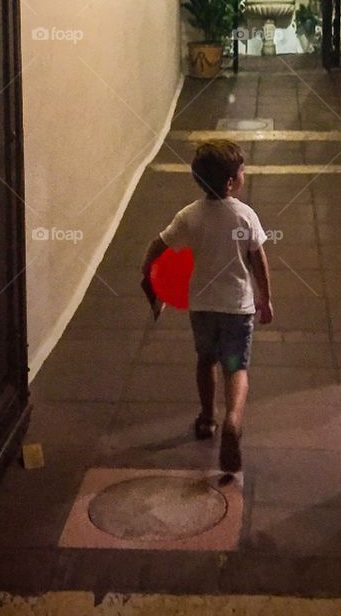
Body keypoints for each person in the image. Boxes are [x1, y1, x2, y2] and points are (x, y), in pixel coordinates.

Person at [140, 139, 273, 474]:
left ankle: (206, 417)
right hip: (237, 309)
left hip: (202, 307)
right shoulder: (245, 215)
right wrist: (265, 298)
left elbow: (156, 247)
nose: (244, 173)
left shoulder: (189, 215)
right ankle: (233, 420)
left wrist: (150, 280)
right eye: (241, 170)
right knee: (236, 367)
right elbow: (258, 260)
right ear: (231, 182)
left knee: (205, 360)